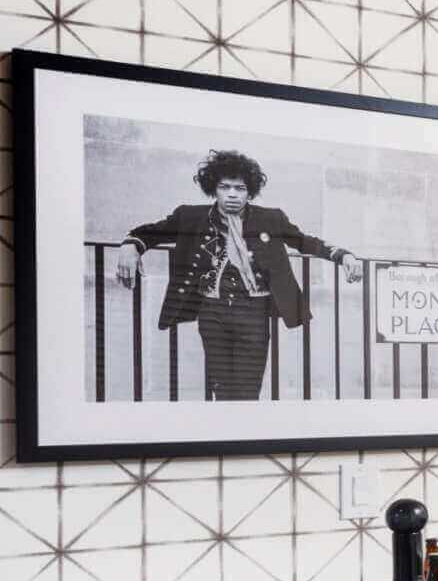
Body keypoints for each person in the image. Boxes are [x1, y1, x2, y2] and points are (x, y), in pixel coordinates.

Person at [115, 150, 362, 401]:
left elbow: (305, 242)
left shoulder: (271, 218)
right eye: (225, 187)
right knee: (221, 387)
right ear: (214, 188)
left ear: (249, 191)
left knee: (247, 388)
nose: (232, 194)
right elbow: (150, 233)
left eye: (240, 188)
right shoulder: (190, 216)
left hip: (253, 311)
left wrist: (343, 256)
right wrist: (131, 246)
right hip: (212, 312)